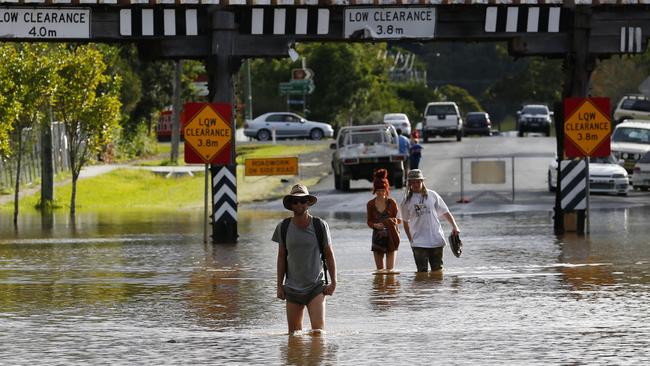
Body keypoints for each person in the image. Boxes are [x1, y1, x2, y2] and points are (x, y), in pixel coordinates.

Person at [273, 184, 337, 334]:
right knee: (294, 336)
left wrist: (334, 282)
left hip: (316, 287)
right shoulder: (283, 227)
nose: (299, 204)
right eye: (295, 201)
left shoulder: (320, 225)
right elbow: (281, 257)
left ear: (308, 202)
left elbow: (329, 254)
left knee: (318, 333)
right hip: (292, 289)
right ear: (291, 205)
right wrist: (279, 285)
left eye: (302, 201)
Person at [400, 169, 460, 273]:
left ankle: (434, 290)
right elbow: (405, 222)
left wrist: (455, 226)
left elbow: (445, 212)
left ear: (422, 181)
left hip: (436, 239)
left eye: (418, 181)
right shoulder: (406, 200)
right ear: (409, 183)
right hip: (418, 242)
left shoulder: (432, 195)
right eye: (413, 182)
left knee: (437, 271)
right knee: (421, 273)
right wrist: (411, 240)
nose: (416, 184)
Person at [366, 169, 401, 273]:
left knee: (390, 271)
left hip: (391, 237)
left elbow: (399, 219)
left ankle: (390, 289)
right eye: (378, 190)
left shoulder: (392, 203)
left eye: (382, 190)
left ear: (386, 189)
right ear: (374, 190)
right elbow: (369, 221)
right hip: (377, 239)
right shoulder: (370, 204)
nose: (380, 193)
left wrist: (393, 221)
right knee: (379, 272)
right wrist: (376, 226)